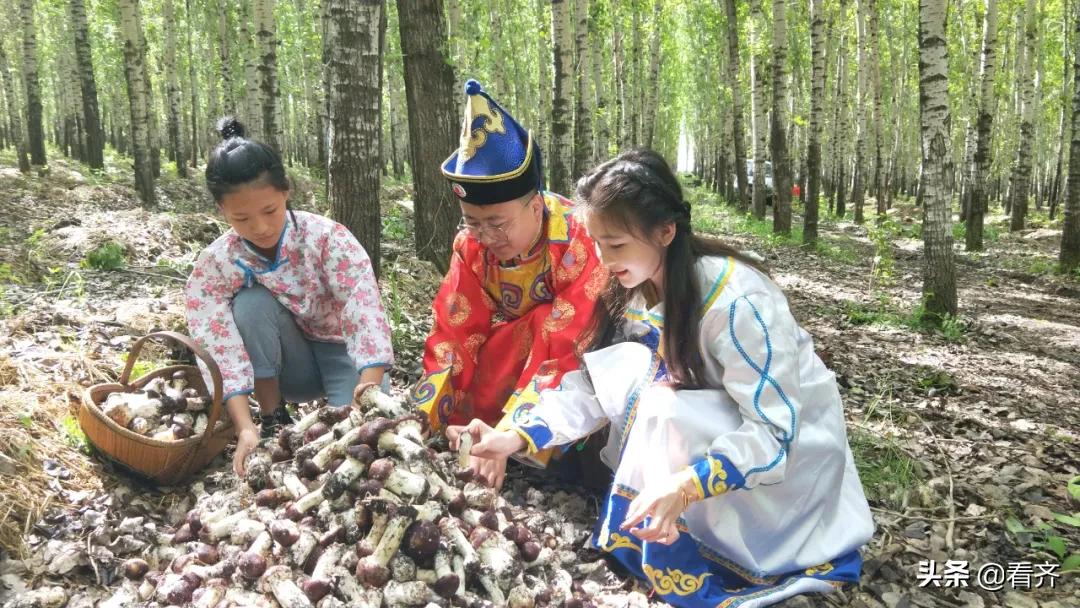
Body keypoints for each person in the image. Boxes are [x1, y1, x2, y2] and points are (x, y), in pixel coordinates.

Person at [448, 149, 874, 606]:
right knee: (634, 371)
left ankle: (735, 545)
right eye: (595, 243)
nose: (603, 259)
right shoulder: (635, 287)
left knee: (661, 405)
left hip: (788, 454)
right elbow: (598, 385)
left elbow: (775, 429)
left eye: (615, 245)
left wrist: (687, 485)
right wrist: (515, 435)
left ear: (665, 231)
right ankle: (670, 536)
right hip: (712, 421)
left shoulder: (738, 302)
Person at [411, 80, 605, 487]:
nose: (486, 237)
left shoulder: (577, 238)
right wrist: (422, 418)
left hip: (574, 368)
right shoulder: (470, 245)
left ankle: (524, 441)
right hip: (509, 363)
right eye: (473, 221)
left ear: (535, 206)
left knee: (547, 324)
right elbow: (454, 332)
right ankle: (475, 434)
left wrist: (515, 429)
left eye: (497, 223)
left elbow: (568, 341)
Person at [185, 117, 393, 477]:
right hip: (290, 363)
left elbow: (365, 316)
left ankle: (349, 404)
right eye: (242, 218)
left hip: (347, 356)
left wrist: (366, 397)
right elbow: (217, 342)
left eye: (269, 211)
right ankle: (272, 417)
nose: (260, 228)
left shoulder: (327, 239)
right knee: (250, 304)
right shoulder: (218, 263)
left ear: (286, 192)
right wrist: (244, 426)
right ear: (222, 211)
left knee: (352, 440)